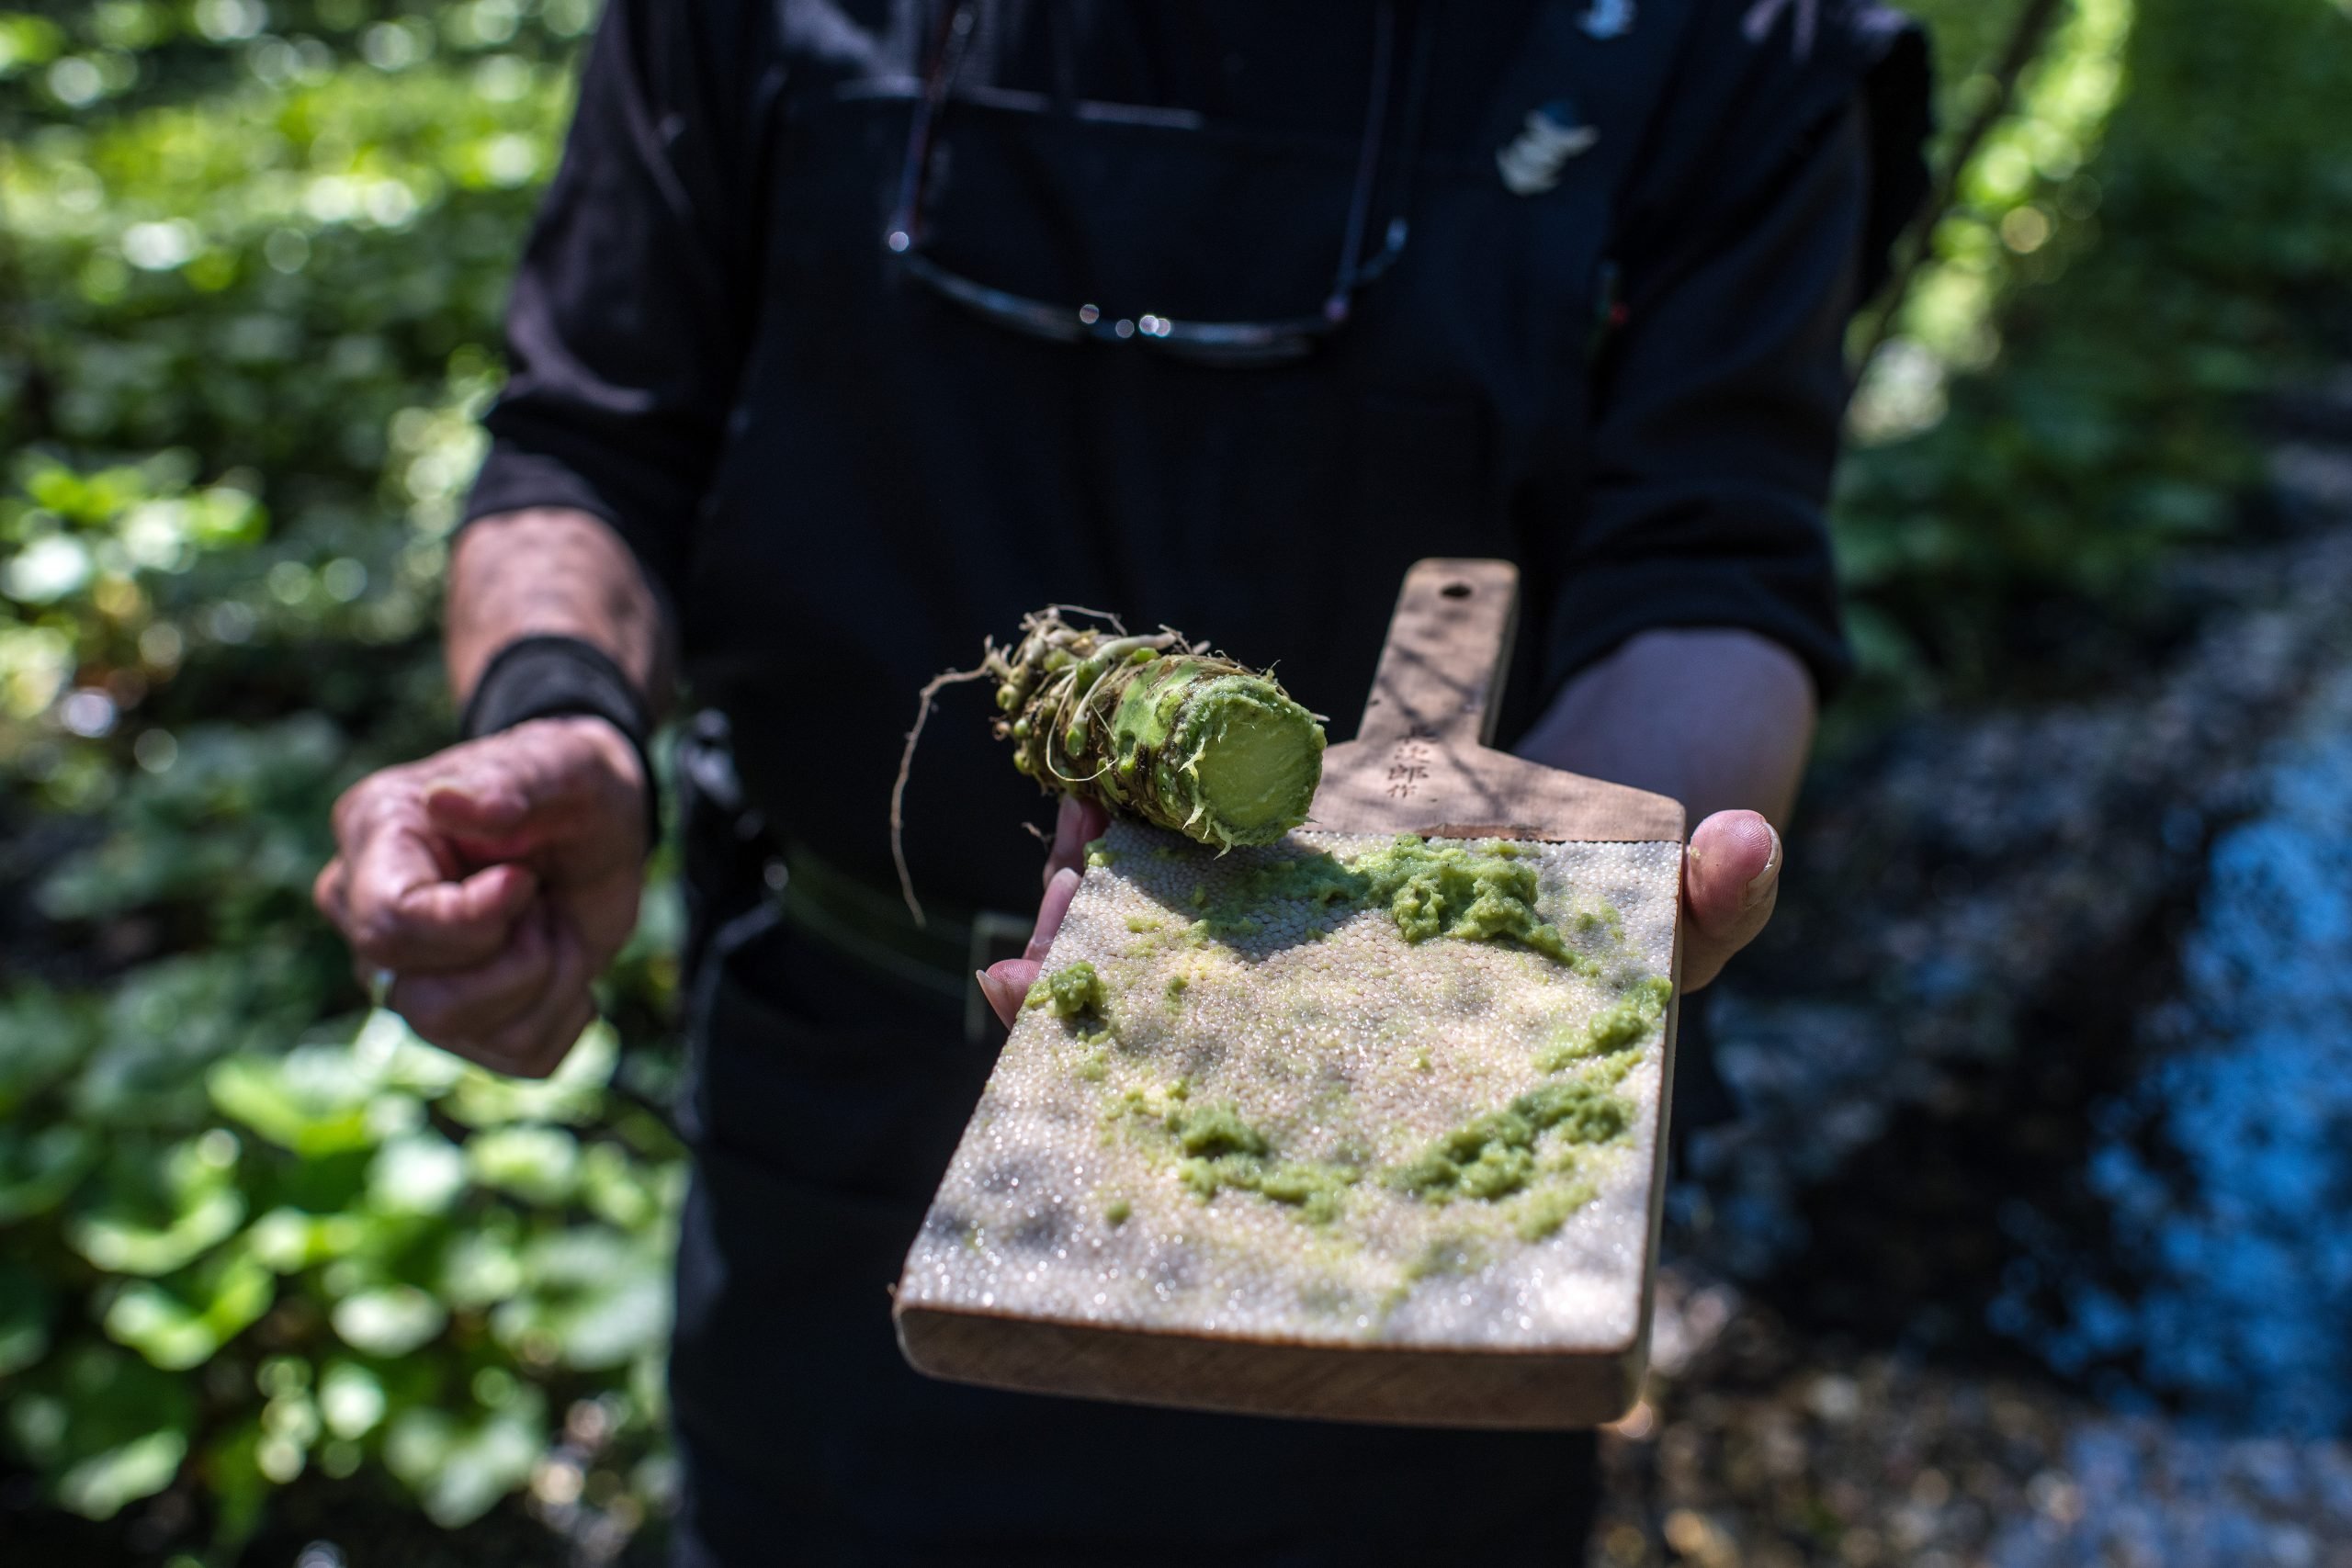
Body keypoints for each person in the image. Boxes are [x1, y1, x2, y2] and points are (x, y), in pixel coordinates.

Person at [313, 2, 1928, 1561]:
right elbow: (587, 436)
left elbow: (1711, 557)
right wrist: (560, 707)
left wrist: (1578, 882)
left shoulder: (1728, 32)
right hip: (847, 1142)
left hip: (1421, 1146)